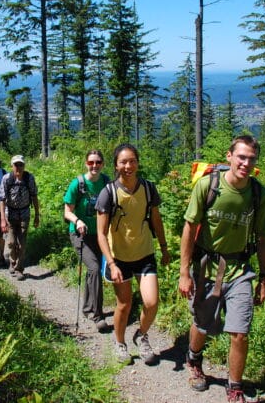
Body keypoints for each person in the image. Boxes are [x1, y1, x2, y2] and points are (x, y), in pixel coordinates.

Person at [178, 135, 265, 403]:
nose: (245, 163)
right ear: (229, 156)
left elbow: (263, 238)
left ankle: (235, 388)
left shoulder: (258, 194)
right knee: (202, 323)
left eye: (251, 158)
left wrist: (264, 278)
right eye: (241, 157)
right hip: (207, 269)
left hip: (241, 271)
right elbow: (188, 228)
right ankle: (194, 360)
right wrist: (184, 272)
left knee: (240, 333)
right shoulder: (208, 186)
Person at [96, 143, 170, 365]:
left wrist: (165, 248)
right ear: (116, 165)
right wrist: (111, 263)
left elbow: (156, 220)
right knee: (124, 304)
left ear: (137, 162)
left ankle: (141, 335)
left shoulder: (148, 188)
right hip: (118, 257)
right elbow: (101, 233)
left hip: (145, 253)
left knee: (151, 302)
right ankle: (120, 343)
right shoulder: (108, 193)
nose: (128, 166)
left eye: (132, 161)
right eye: (123, 162)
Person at [63, 149, 110, 332]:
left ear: (102, 164)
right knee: (94, 269)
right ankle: (98, 315)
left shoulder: (107, 183)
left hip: (99, 234)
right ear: (86, 163)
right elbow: (67, 211)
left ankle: (87, 308)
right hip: (79, 234)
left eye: (98, 162)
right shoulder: (78, 184)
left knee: (95, 271)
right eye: (91, 162)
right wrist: (78, 220)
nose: (94, 166)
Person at [0, 154, 40, 281]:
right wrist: (2, 219)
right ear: (12, 166)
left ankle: (19, 268)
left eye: (21, 164)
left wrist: (37, 215)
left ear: (24, 166)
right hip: (10, 214)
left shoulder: (29, 178)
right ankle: (12, 262)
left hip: (24, 214)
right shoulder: (7, 179)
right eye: (16, 165)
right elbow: (2, 199)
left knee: (22, 244)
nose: (18, 167)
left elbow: (34, 196)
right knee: (11, 242)